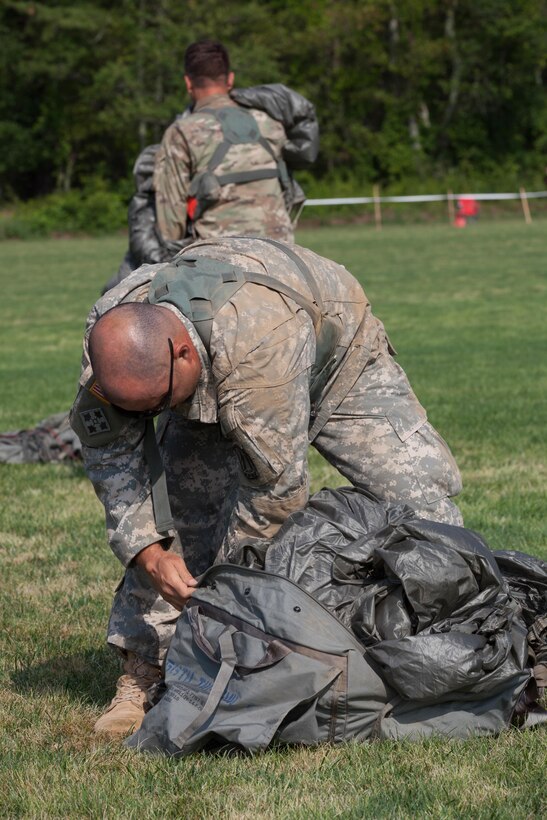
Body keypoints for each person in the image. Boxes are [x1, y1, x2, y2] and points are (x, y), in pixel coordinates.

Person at [70, 236, 463, 737]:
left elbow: (272, 495)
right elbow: (110, 453)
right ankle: (144, 670)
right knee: (184, 520)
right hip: (221, 369)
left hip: (334, 352)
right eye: (138, 410)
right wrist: (149, 551)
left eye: (157, 405)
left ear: (183, 354)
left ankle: (444, 640)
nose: (151, 419)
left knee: (421, 499)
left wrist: (225, 605)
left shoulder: (258, 345)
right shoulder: (112, 338)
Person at [153, 40, 302, 245]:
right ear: (230, 79)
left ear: (188, 83)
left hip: (219, 256)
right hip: (281, 248)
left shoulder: (181, 132)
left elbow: (171, 224)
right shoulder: (268, 122)